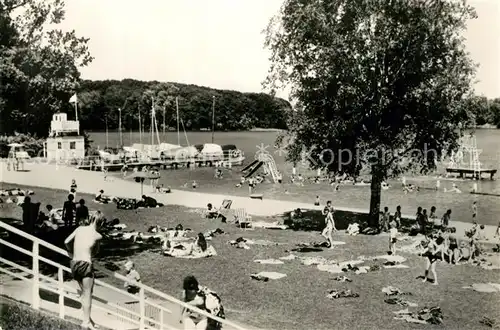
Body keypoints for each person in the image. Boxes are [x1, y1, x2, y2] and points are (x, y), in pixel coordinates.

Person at [64, 213, 103, 329]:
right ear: (100, 223)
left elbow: (66, 242)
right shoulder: (97, 235)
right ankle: (86, 322)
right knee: (88, 294)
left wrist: (71, 251)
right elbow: (95, 252)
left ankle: (88, 320)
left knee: (84, 293)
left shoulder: (79, 229)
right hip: (86, 264)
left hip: (74, 263)